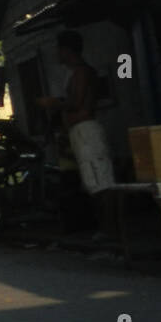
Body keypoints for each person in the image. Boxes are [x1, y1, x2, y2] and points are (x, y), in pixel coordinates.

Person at [36, 30, 116, 227]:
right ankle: (104, 227)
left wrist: (53, 102)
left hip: (86, 130)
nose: (57, 54)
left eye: (59, 50)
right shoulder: (73, 73)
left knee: (100, 182)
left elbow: (76, 103)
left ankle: (112, 229)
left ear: (66, 50)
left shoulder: (81, 72)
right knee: (91, 182)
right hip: (77, 132)